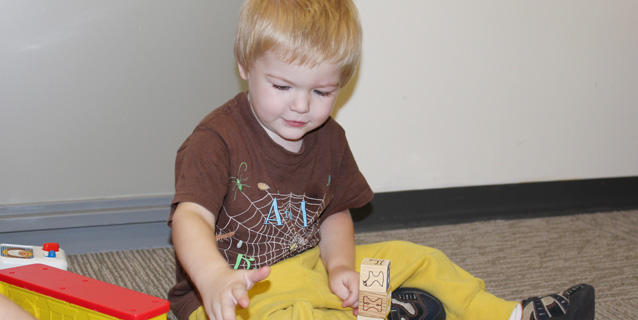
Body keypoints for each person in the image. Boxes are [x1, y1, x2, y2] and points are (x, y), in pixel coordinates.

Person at [166, 0, 596, 319]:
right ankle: (381, 312)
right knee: (294, 312)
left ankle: (506, 315)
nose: (301, 106)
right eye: (282, 86)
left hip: (313, 267)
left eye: (321, 92)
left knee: (416, 259)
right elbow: (191, 219)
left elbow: (335, 215)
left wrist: (339, 266)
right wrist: (213, 278)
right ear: (245, 65)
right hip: (235, 297)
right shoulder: (216, 139)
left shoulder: (329, 139)